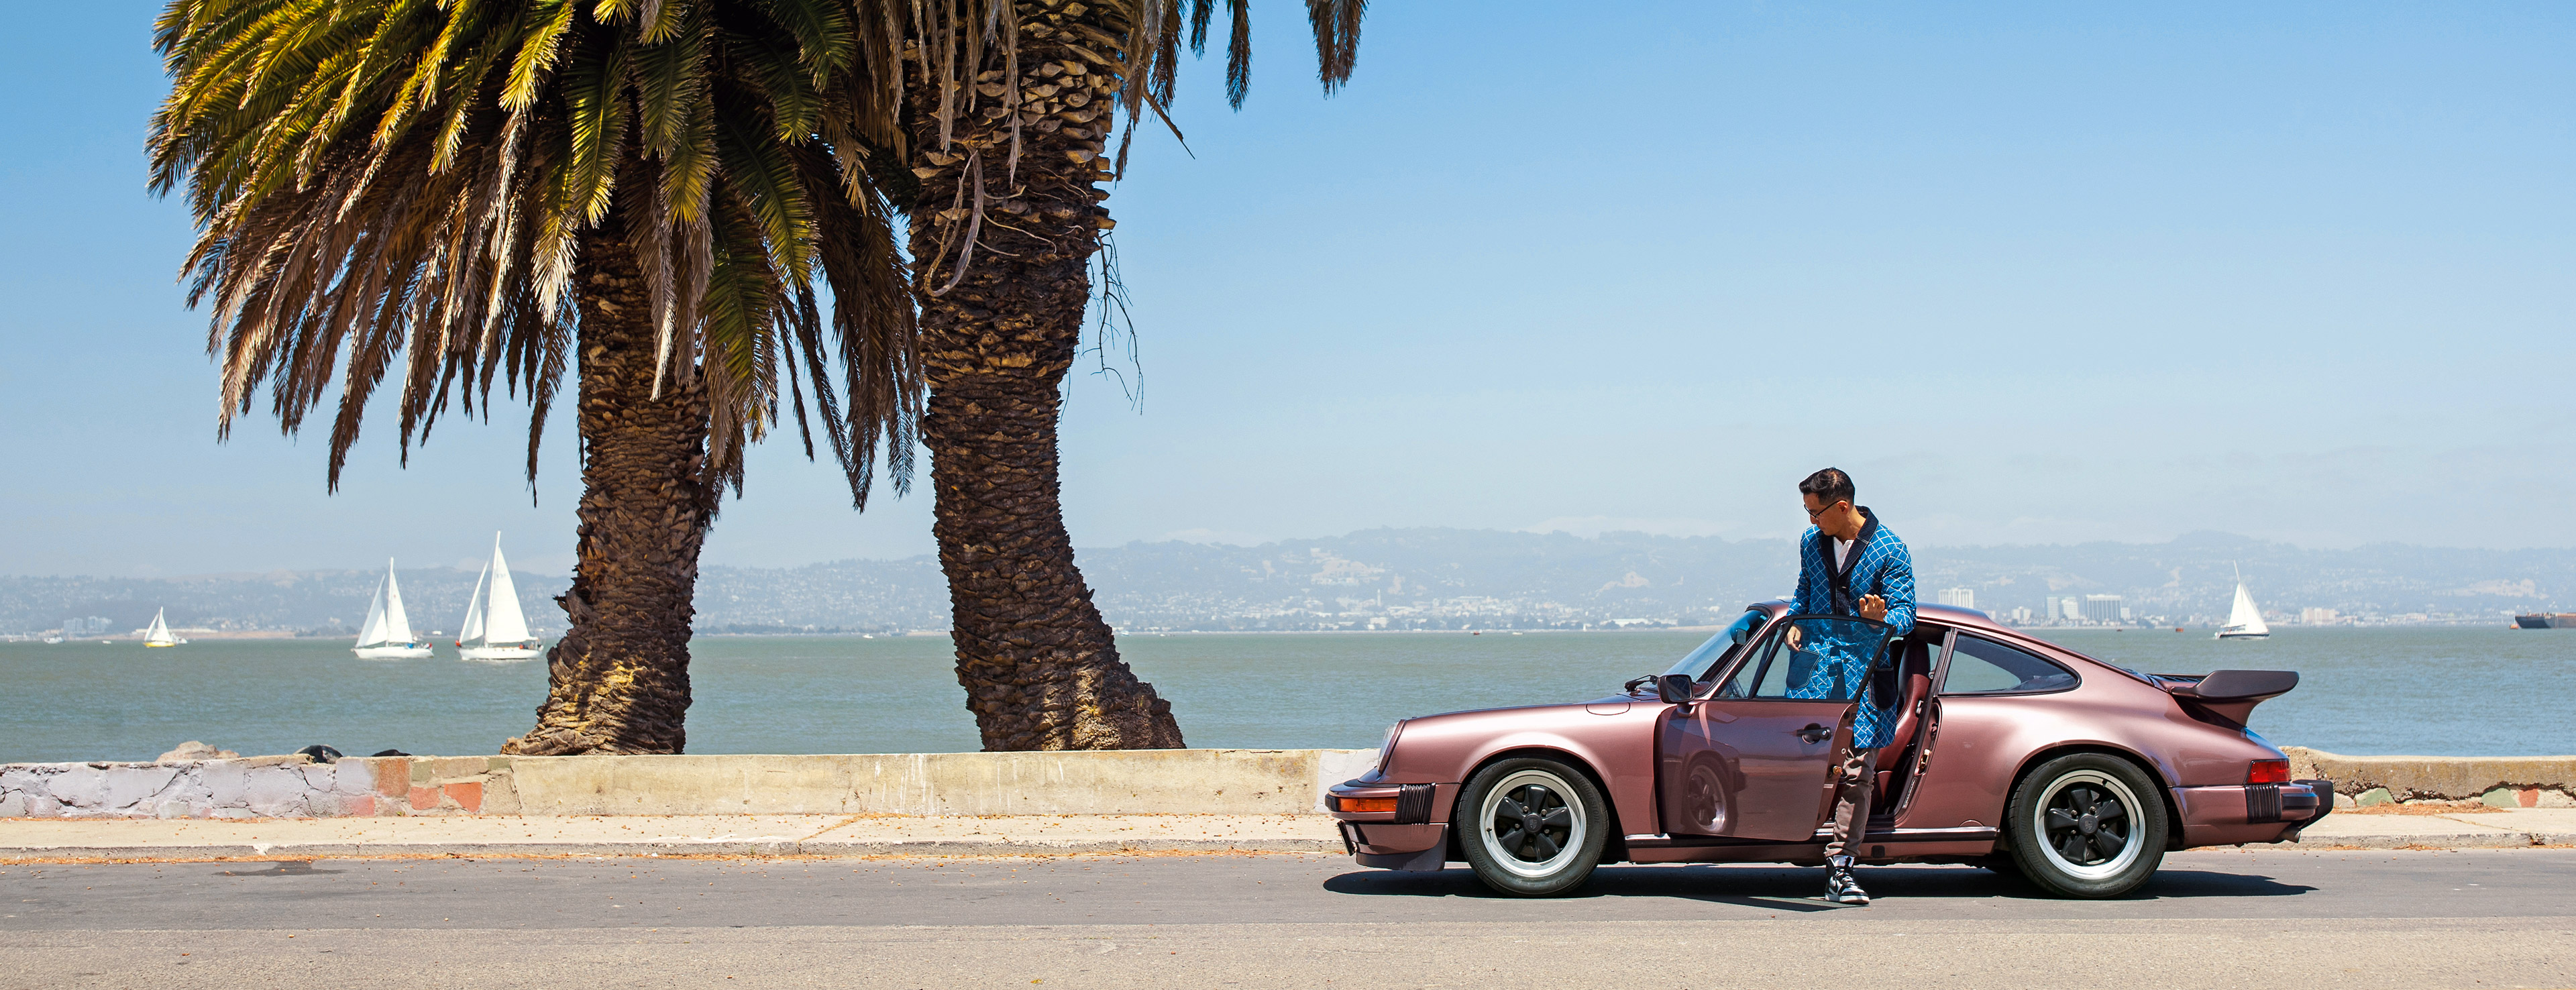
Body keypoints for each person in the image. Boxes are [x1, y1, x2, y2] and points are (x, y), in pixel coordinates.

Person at [1788, 467, 1915, 905]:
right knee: (1806, 764)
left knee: (1858, 774)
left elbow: (1907, 617)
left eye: (1815, 513)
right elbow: (1804, 592)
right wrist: (1794, 623)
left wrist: (1882, 621)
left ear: (1842, 506)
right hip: (1817, 677)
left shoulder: (1890, 550)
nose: (1810, 522)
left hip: (1867, 679)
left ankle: (1841, 868)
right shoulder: (1811, 543)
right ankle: (1789, 841)